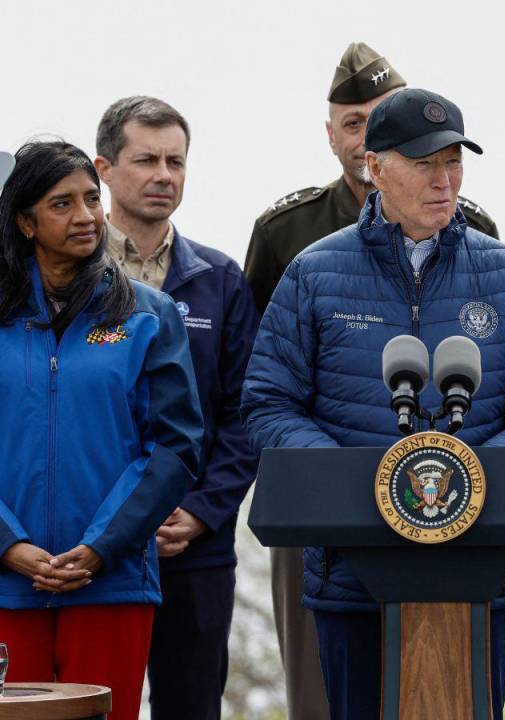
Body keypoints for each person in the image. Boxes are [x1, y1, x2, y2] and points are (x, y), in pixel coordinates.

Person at [241, 87, 505, 720]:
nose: (444, 181)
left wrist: (471, 481)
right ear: (376, 167)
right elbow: (268, 404)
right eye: (425, 164)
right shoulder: (313, 272)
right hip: (352, 575)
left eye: (454, 162)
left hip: (475, 569)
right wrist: (358, 486)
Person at [0, 140, 203, 720]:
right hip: (7, 583)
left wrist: (100, 548)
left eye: (91, 198)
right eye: (61, 204)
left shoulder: (148, 313)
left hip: (111, 581)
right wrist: (9, 546)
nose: (86, 216)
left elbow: (175, 445)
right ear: (25, 221)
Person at [93, 96, 260, 720]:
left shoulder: (219, 279)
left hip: (192, 548)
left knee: (191, 707)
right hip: (88, 544)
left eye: (177, 161)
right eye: (147, 160)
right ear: (104, 168)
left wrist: (200, 511)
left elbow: (246, 413)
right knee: (90, 702)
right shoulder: (66, 274)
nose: (165, 174)